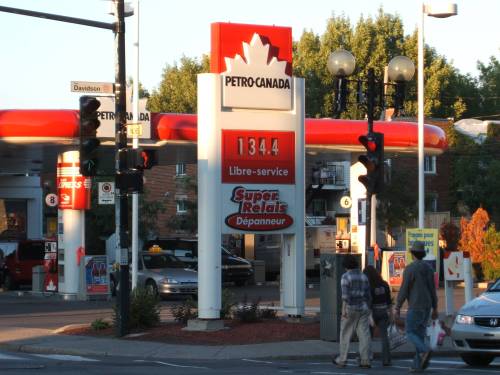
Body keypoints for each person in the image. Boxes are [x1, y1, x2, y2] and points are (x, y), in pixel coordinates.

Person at [395, 241, 438, 372]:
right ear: (423, 254)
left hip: (415, 305)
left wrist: (397, 306)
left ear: (413, 254)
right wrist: (435, 307)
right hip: (427, 306)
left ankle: (425, 351)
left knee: (409, 332)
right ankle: (417, 365)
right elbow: (433, 289)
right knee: (419, 335)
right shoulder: (429, 269)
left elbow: (404, 289)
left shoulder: (410, 269)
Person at [332, 254, 372, 369]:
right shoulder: (364, 276)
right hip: (363, 308)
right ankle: (365, 360)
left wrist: (343, 309)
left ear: (345, 266)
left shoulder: (345, 276)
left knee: (345, 334)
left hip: (350, 308)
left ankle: (342, 359)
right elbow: (368, 296)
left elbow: (345, 296)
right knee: (364, 334)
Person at [364, 265, 393, 366]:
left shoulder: (368, 286)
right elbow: (389, 301)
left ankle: (366, 356)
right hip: (383, 311)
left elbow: (368, 302)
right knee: (384, 337)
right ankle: (386, 359)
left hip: (372, 312)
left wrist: (370, 316)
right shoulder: (384, 284)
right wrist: (391, 315)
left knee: (367, 336)